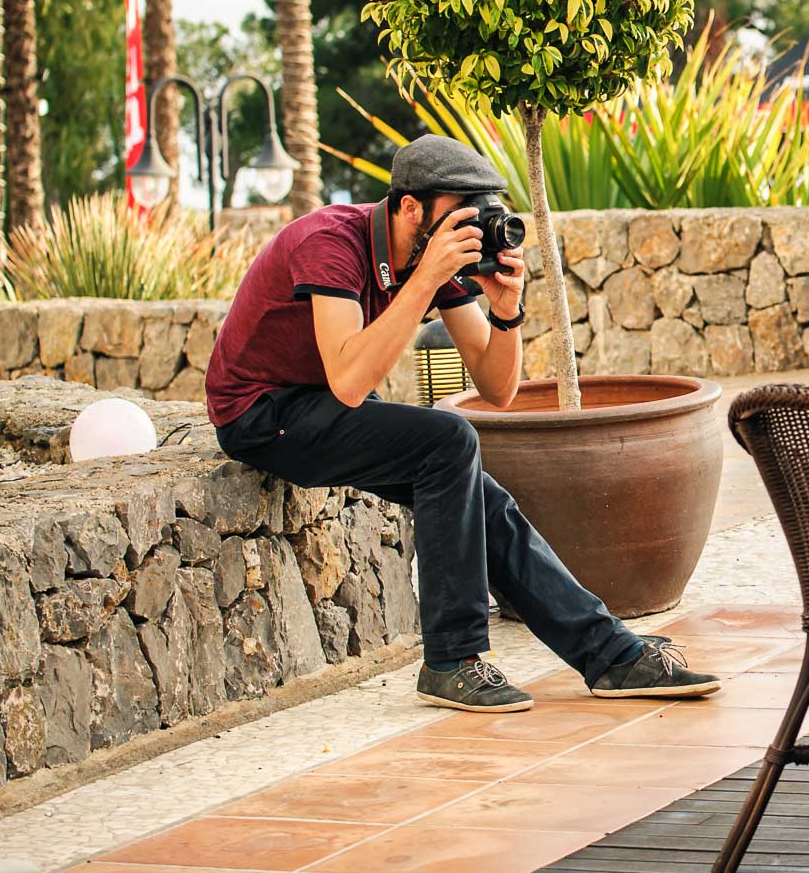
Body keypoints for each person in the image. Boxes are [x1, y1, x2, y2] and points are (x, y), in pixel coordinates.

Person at [205, 135, 719, 713]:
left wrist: (506, 310)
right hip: (259, 412)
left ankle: (608, 655)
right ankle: (452, 659)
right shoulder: (329, 243)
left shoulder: (435, 257)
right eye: (460, 212)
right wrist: (425, 279)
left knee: (483, 498)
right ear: (409, 208)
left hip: (326, 404)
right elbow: (349, 380)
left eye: (481, 213)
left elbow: (498, 390)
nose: (471, 228)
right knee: (448, 439)